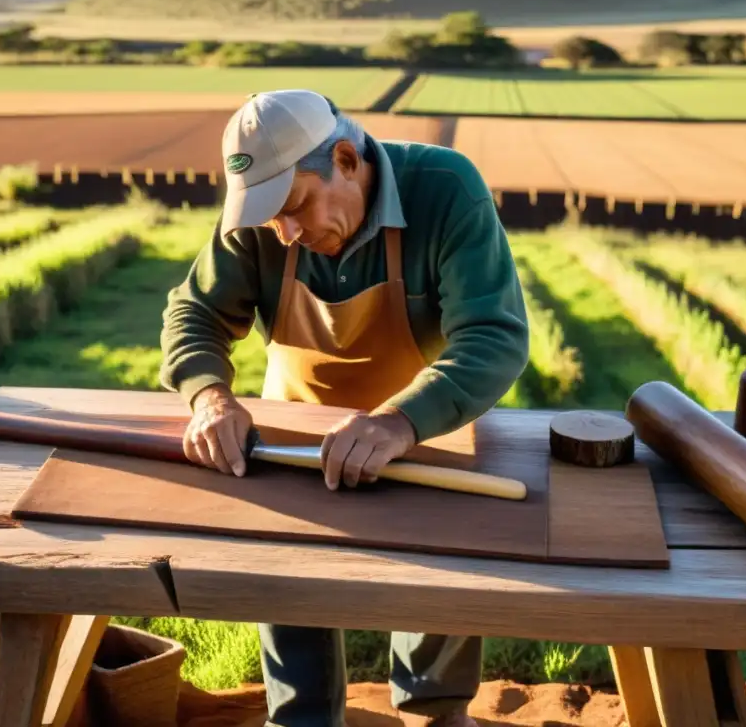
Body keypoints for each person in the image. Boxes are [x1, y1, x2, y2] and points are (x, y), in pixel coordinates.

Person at [159, 89, 530, 727]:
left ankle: (436, 711)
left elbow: (493, 336)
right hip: (296, 428)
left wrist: (399, 421)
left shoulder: (445, 190)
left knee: (436, 565)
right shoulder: (264, 224)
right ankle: (302, 716)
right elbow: (193, 312)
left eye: (295, 206)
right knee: (290, 583)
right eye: (269, 216)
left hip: (427, 424)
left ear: (346, 160)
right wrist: (210, 397)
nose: (286, 231)